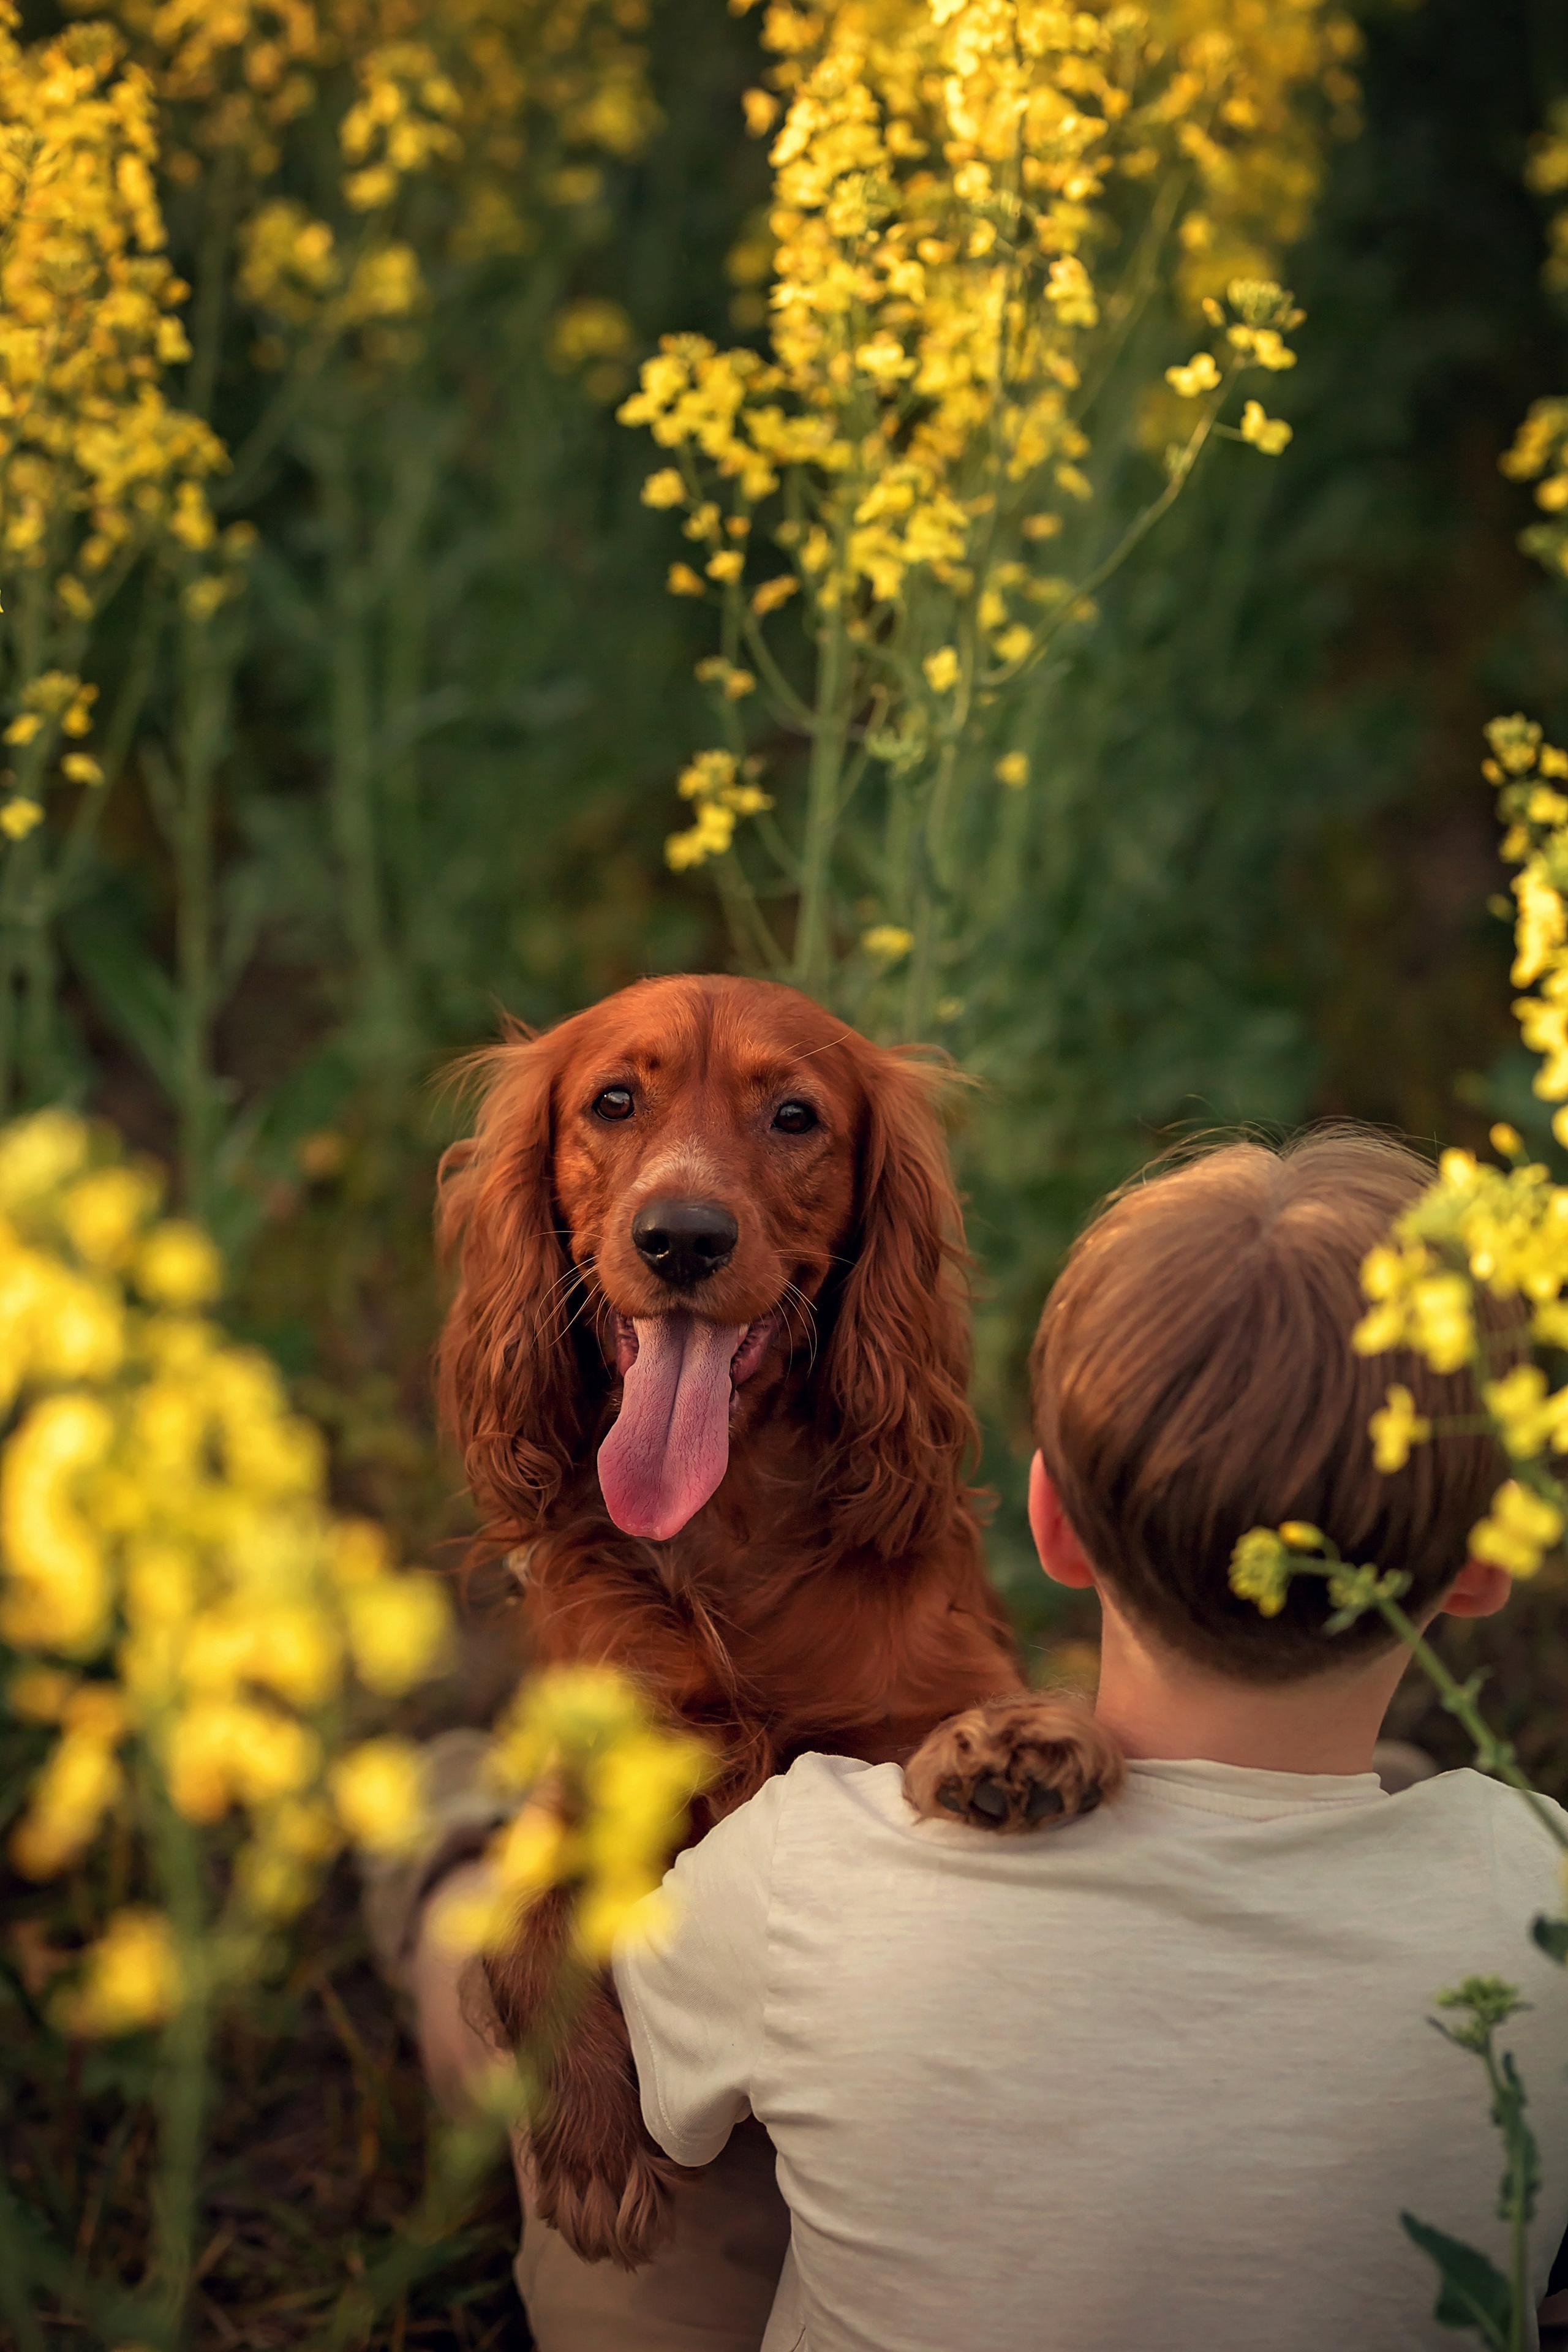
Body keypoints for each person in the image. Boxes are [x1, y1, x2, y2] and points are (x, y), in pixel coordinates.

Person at [609, 1128, 1568, 2352]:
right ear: (1488, 1557)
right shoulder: (1536, 1897)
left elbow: (611, 2082)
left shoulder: (806, 1867)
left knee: (572, 2087)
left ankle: (434, 1857)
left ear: (1051, 1522)